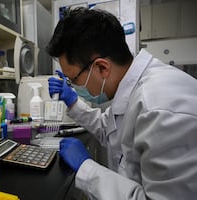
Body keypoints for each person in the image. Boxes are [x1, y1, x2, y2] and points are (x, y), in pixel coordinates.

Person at [47, 7, 197, 200]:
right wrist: (73, 102)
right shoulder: (131, 91)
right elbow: (107, 128)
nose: (75, 87)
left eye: (73, 80)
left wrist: (87, 168)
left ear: (102, 67)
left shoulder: (160, 109)